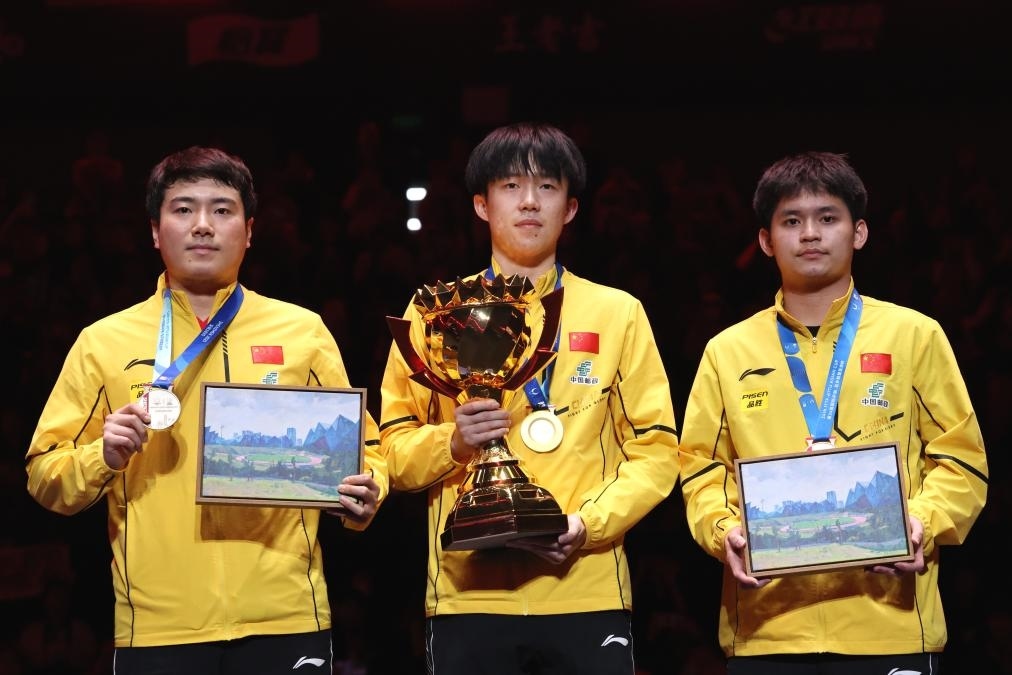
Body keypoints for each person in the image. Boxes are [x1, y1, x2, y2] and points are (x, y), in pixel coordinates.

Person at [25, 146, 388, 675]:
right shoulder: (101, 342)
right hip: (158, 627)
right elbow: (43, 473)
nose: (202, 225)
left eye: (222, 210)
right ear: (155, 231)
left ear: (249, 230)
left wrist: (366, 491)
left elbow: (367, 449)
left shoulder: (302, 331)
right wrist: (102, 456)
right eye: (183, 209)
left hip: (285, 617)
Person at [379, 121, 680, 674]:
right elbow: (390, 454)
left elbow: (658, 452)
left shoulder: (618, 313)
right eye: (511, 186)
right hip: (468, 596)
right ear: (481, 205)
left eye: (547, 187)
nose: (529, 202)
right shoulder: (434, 315)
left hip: (586, 590)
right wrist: (453, 443)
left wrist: (588, 524)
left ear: (570, 208)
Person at [678, 151, 988, 674]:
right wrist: (723, 529)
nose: (810, 234)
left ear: (858, 232)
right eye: (791, 221)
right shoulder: (727, 351)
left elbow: (962, 461)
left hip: (889, 628)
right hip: (768, 631)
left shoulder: (915, 335)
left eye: (827, 218)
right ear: (765, 240)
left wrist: (921, 522)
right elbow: (700, 471)